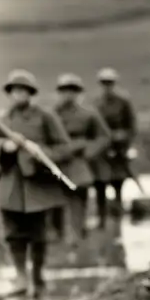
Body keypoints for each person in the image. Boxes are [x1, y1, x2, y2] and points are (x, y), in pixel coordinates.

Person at [0, 70, 72, 297]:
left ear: (31, 94)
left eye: (23, 91)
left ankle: (38, 278)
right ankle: (21, 278)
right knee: (13, 233)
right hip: (9, 183)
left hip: (36, 185)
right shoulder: (3, 120)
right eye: (14, 91)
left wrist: (38, 153)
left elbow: (64, 148)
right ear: (9, 94)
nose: (18, 95)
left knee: (38, 234)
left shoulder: (45, 117)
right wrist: (3, 148)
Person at [50, 73, 112, 247]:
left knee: (79, 197)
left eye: (73, 91)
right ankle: (58, 236)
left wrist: (89, 151)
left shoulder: (88, 115)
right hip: (57, 162)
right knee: (55, 200)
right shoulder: (51, 115)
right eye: (64, 91)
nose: (68, 95)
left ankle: (78, 235)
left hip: (78, 163)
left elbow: (104, 137)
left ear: (78, 94)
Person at [93, 67, 138, 225]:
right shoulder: (96, 103)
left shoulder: (123, 102)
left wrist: (123, 138)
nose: (107, 86)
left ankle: (117, 218)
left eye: (110, 83)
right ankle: (101, 219)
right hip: (102, 150)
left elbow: (132, 127)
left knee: (118, 183)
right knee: (99, 184)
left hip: (119, 148)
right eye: (104, 83)